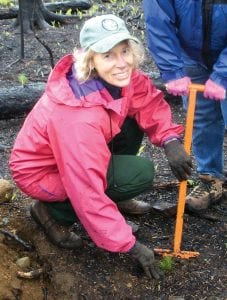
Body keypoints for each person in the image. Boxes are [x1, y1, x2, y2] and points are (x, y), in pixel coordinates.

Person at [9, 14, 192, 279]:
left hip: (77, 154)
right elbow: (86, 190)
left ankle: (117, 195)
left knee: (130, 122)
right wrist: (129, 244)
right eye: (108, 55)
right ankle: (50, 213)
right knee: (141, 173)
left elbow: (146, 100)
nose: (122, 63)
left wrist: (169, 139)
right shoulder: (77, 119)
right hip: (41, 174)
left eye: (125, 51)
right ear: (90, 60)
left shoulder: (117, 79)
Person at [143, 0, 227, 212]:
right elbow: (158, 19)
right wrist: (171, 69)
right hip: (192, 55)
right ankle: (211, 178)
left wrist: (223, 73)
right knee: (201, 117)